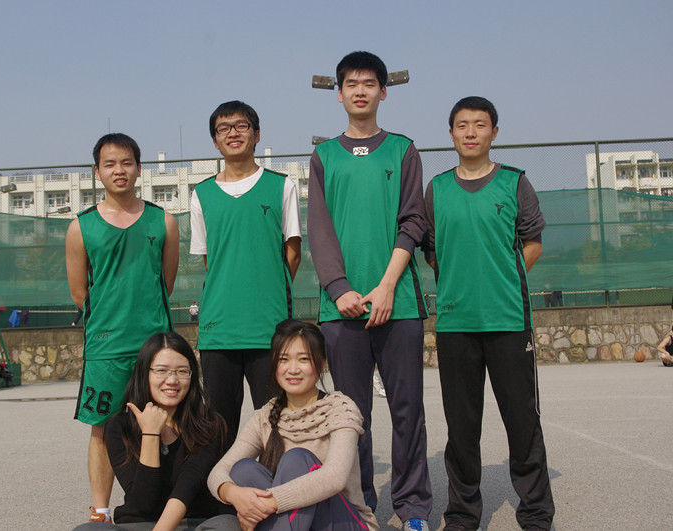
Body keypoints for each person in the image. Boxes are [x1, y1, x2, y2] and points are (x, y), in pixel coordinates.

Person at [306, 50, 432, 530]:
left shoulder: (403, 150)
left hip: (397, 304)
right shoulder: (324, 156)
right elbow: (319, 230)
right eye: (351, 84)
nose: (360, 91)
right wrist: (339, 288)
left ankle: (413, 508)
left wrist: (386, 286)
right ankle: (359, 509)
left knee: (408, 411)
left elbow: (413, 221)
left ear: (383, 91)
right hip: (341, 310)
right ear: (338, 94)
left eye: (369, 83)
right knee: (349, 416)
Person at [423, 96, 554, 531]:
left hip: (508, 321)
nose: (471, 132)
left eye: (480, 124)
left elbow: (532, 243)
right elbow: (431, 250)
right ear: (451, 134)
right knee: (461, 429)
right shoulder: (437, 188)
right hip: (456, 324)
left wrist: (500, 279)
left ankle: (536, 514)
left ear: (494, 132)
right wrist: (460, 282)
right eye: (462, 125)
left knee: (522, 423)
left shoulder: (515, 182)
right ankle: (462, 515)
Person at [66, 133, 180, 524]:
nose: (119, 170)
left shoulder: (163, 220)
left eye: (127, 162)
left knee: (166, 424)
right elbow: (80, 293)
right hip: (106, 349)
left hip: (156, 346)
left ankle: (167, 503)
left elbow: (165, 282)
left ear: (139, 168)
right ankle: (100, 510)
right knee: (101, 429)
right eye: (110, 164)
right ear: (97, 171)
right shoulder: (80, 227)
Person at [190, 100, 302, 444]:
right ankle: (223, 482)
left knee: (276, 426)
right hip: (218, 331)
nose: (233, 133)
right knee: (218, 429)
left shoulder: (282, 186)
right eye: (223, 128)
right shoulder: (201, 194)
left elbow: (293, 252)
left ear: (256, 134)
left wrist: (265, 289)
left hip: (269, 328)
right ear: (215, 141)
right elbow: (209, 260)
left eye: (241, 126)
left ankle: (276, 481)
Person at [208, 319, 377, 531]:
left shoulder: (340, 408)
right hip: (295, 523)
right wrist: (234, 494)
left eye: (304, 359)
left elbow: (335, 478)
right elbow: (219, 471)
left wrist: (268, 503)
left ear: (321, 363)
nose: (293, 369)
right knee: (243, 470)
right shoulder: (266, 415)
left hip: (344, 523)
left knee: (296, 460)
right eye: (284, 359)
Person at [74, 332, 237, 531]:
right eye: (161, 370)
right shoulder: (120, 427)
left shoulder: (209, 424)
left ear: (192, 376)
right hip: (140, 525)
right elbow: (143, 504)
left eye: (182, 371)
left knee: (228, 525)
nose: (172, 380)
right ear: (144, 373)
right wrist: (150, 435)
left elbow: (187, 487)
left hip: (194, 523)